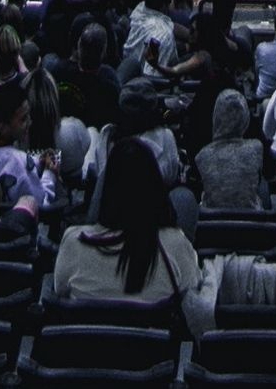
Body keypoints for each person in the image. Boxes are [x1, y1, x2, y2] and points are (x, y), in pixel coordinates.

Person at [48, 135, 209, 332]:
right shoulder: (175, 244)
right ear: (155, 188)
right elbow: (194, 296)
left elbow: (59, 291)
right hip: (152, 360)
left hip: (84, 358)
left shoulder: (74, 241)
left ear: (105, 189)